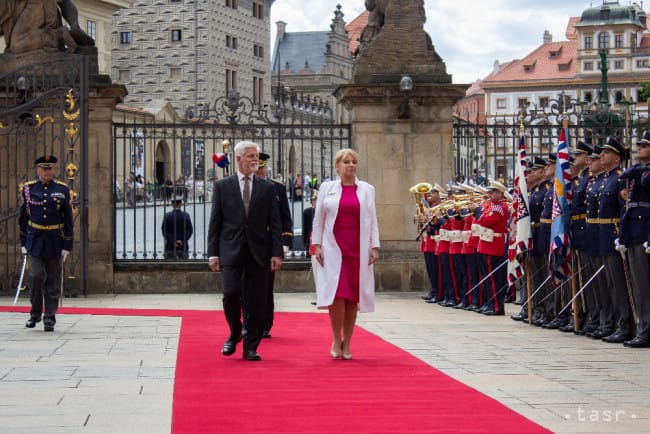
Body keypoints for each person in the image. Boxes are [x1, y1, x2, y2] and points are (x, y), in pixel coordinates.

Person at [207, 141, 283, 361]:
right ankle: (235, 331)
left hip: (259, 251)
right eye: (250, 156)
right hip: (230, 249)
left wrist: (276, 253)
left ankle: (251, 345)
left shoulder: (267, 187)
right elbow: (215, 222)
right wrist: (213, 253)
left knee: (257, 300)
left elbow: (275, 223)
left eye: (256, 156)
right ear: (238, 158)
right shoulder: (222, 187)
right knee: (230, 294)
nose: (254, 160)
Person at [312, 148, 380, 360]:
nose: (350, 165)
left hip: (357, 248)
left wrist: (374, 246)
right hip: (333, 247)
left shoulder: (367, 189)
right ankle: (335, 337)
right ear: (337, 166)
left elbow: (373, 219)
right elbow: (319, 219)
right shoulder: (327, 188)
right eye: (346, 162)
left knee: (352, 296)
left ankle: (347, 341)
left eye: (353, 162)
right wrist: (317, 245)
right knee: (337, 295)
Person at [19, 155, 74, 332]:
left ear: (53, 170)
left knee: (52, 278)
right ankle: (35, 313)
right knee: (35, 276)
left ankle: (49, 316)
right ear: (38, 170)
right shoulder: (28, 189)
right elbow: (23, 218)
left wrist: (67, 245)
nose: (47, 171)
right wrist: (23, 242)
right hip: (34, 239)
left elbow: (68, 219)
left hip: (54, 240)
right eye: (44, 168)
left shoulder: (62, 190)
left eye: (50, 168)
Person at [254, 152, 292, 338]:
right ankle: (251, 321)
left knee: (267, 287)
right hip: (251, 242)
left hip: (270, 244)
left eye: (262, 167)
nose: (260, 171)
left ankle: (266, 324)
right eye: (257, 168)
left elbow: (285, 217)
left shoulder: (277, 188)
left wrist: (285, 242)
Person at [618, 131, 650, 347]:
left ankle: (646, 331)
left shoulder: (645, 173)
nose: (639, 148)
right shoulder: (641, 171)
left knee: (645, 287)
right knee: (639, 287)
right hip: (634, 232)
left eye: (644, 146)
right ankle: (643, 328)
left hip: (644, 232)